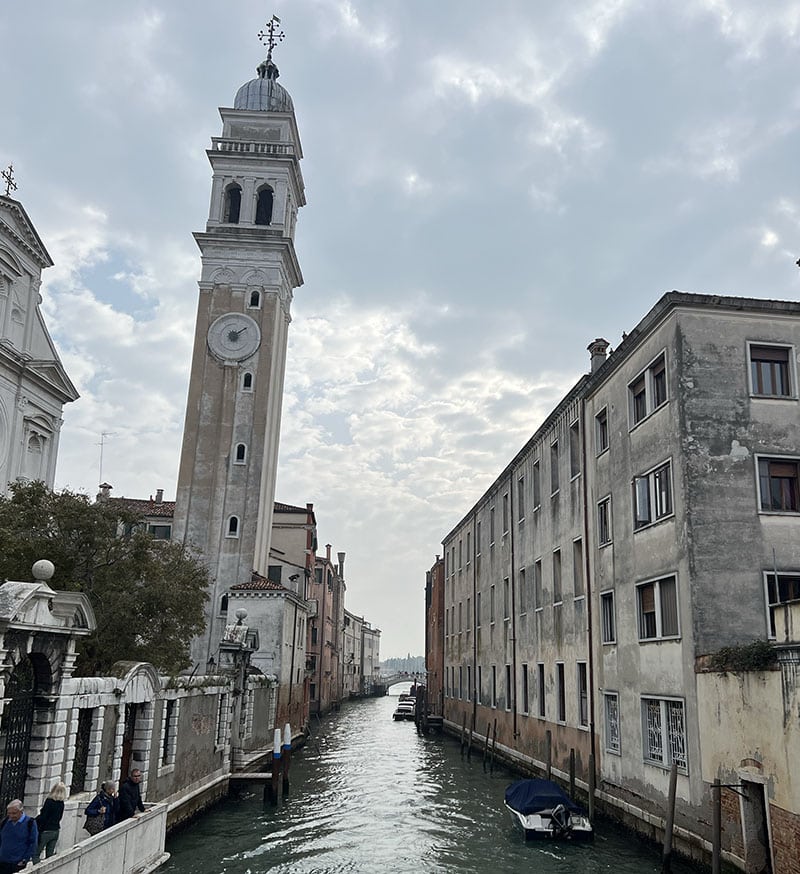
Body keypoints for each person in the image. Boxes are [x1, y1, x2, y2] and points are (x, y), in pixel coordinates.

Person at [0, 800, 38, 874]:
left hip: (17, 863)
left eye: (14, 813)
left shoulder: (30, 823)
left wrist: (25, 860)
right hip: (3, 860)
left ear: (21, 811)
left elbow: (33, 843)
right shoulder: (5, 821)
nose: (11, 816)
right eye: (9, 813)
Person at [34, 782, 66, 862]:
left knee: (36, 854)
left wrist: (35, 821)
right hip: (56, 830)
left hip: (46, 830)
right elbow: (60, 817)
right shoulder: (61, 804)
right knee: (50, 856)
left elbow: (43, 816)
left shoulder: (49, 801)